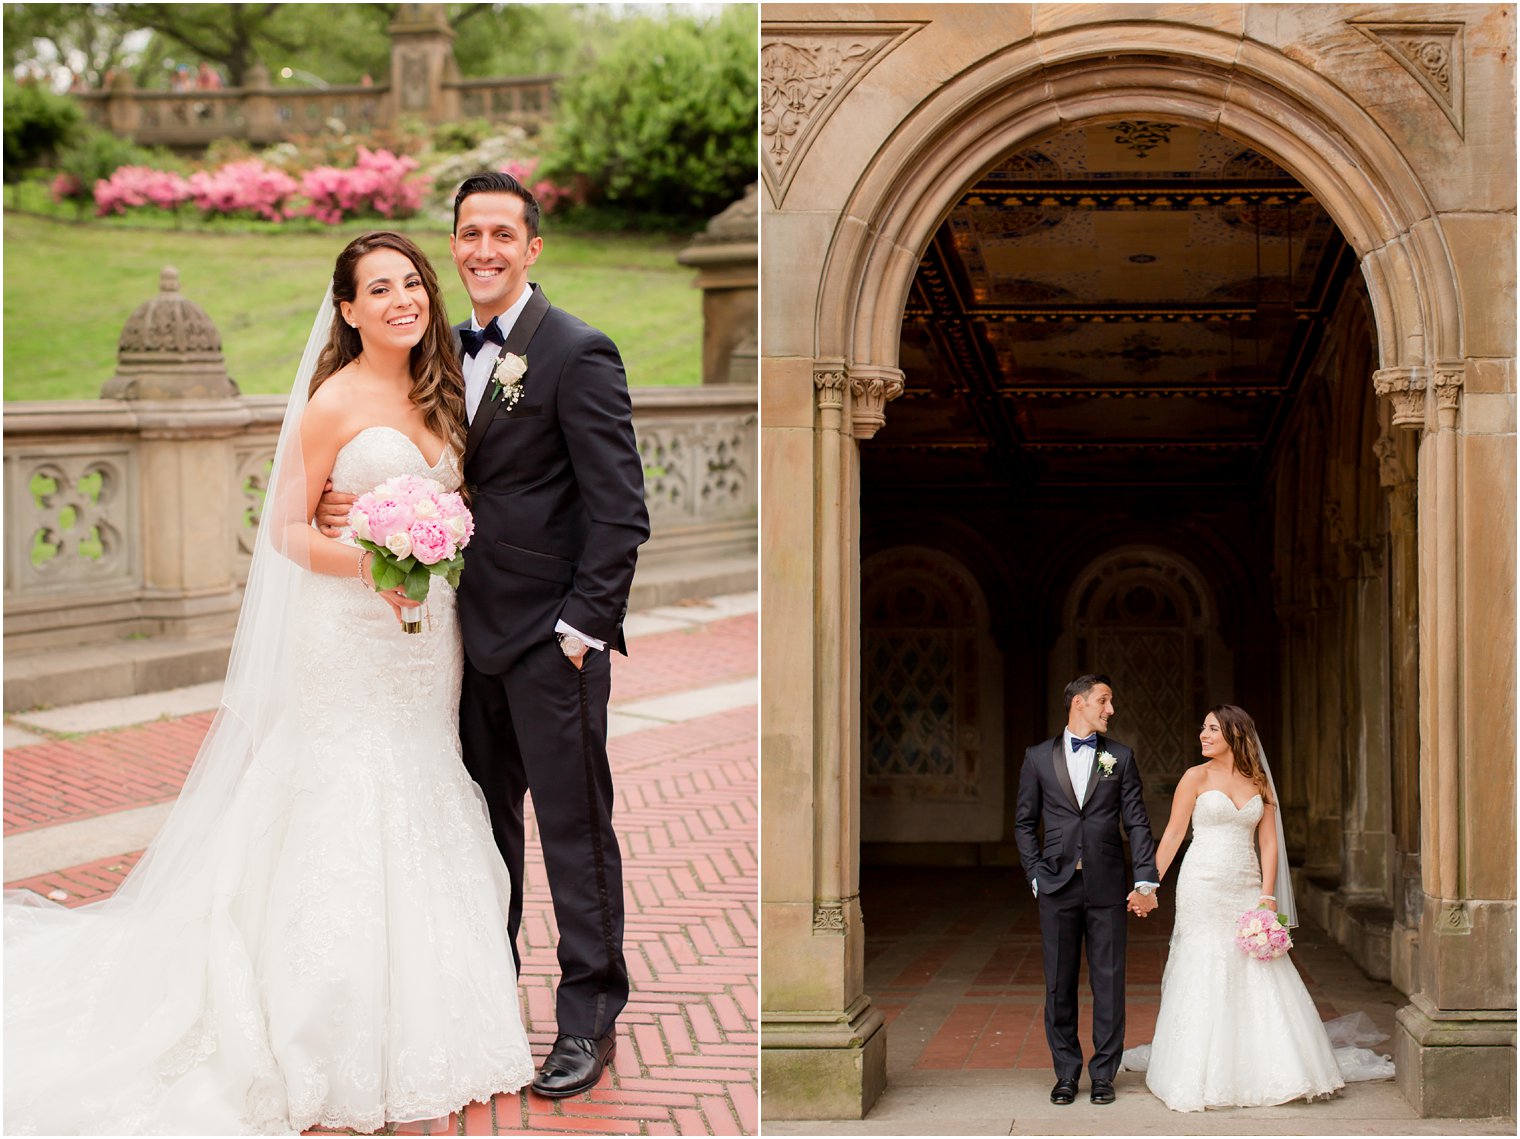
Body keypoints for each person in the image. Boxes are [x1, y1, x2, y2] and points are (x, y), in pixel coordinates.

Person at [4, 232, 534, 1134]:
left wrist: (433, 537)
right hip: (348, 632)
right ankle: (315, 1018)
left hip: (424, 641)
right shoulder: (332, 402)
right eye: (380, 287)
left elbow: (464, 503)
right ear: (348, 308)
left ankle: (438, 1010)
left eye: (412, 282)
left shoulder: (442, 391)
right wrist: (369, 558)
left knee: (423, 783)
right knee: (340, 793)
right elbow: (286, 530)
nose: (404, 299)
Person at [317, 171, 650, 1098]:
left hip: (552, 644)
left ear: (533, 247)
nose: (484, 249)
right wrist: (354, 505)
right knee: (480, 834)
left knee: (576, 834)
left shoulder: (579, 351)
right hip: (456, 646)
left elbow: (620, 513)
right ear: (454, 243)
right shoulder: (441, 358)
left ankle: (587, 1018)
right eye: (469, 234)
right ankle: (486, 998)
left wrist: (582, 629)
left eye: (504, 233)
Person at [1132, 703, 1346, 1109]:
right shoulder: (1194, 777)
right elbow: (1174, 835)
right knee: (1203, 962)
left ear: (1234, 734)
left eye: (1212, 729)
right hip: (1201, 884)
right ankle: (1196, 1070)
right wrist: (1149, 885)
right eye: (1203, 728)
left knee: (1255, 967)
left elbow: (1268, 843)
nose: (1203, 735)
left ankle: (1266, 1065)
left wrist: (1267, 895)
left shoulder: (1259, 782)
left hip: (1245, 884)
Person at [1014, 673, 1159, 1106]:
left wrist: (1144, 877)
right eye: (1103, 701)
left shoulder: (1120, 757)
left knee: (1109, 982)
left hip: (1107, 885)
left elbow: (1135, 820)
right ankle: (1065, 1073)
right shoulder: (1038, 757)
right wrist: (1036, 876)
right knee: (1059, 984)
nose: (1110, 709)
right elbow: (1024, 822)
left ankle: (1103, 1075)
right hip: (1056, 885)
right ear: (1078, 703)